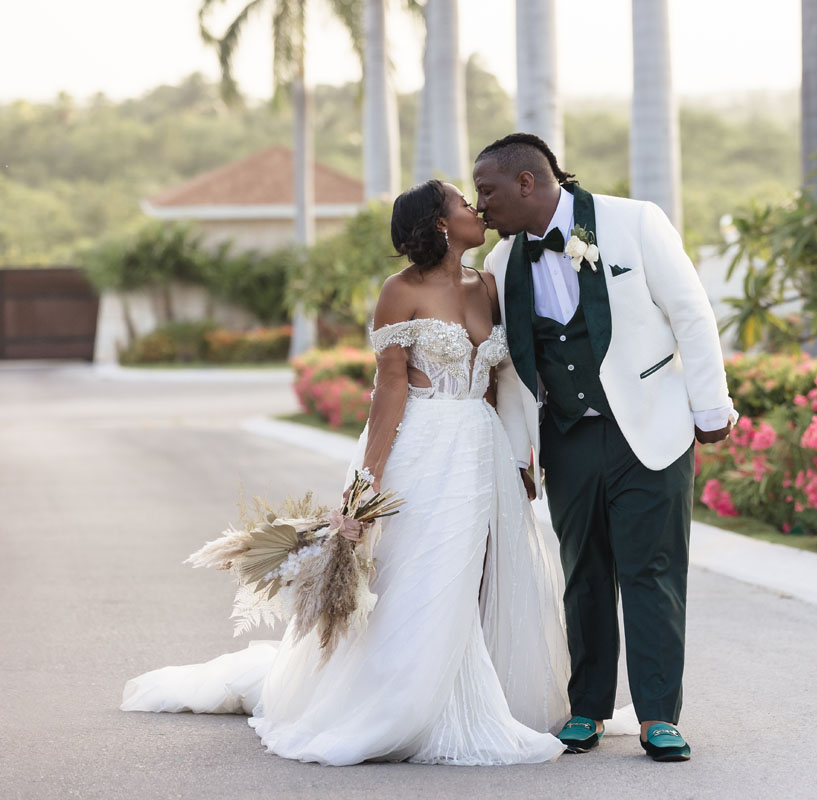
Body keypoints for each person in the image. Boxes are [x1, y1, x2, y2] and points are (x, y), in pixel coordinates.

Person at [120, 180, 572, 767]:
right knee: (420, 576)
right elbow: (388, 392)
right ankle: (403, 703)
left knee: (481, 573)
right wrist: (365, 486)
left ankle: (476, 694)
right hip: (422, 447)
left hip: (480, 449)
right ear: (439, 223)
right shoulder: (399, 291)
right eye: (464, 204)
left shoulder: (486, 283)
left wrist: (519, 456)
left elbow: (497, 385)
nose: (476, 210)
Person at [474, 133, 736, 762]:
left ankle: (658, 717)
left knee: (652, 570)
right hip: (566, 438)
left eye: (488, 191)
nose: (481, 207)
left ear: (528, 183)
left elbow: (691, 313)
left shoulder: (635, 221)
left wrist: (711, 405)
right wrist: (520, 453)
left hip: (651, 427)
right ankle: (587, 709)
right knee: (583, 574)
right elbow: (508, 370)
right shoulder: (503, 264)